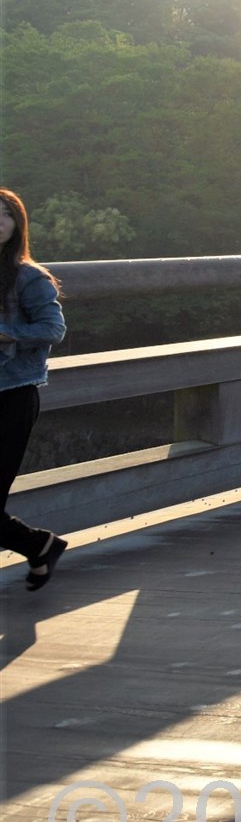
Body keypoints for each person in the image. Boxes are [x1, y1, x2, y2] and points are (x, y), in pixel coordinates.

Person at [0, 190, 69, 591]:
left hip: (12, 394)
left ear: (17, 224)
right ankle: (39, 546)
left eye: (5, 215)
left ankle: (39, 545)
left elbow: (53, 329)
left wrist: (7, 334)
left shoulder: (30, 277)